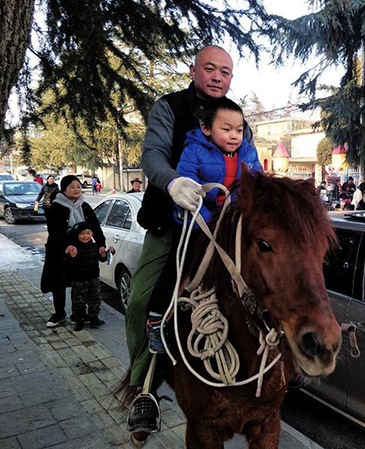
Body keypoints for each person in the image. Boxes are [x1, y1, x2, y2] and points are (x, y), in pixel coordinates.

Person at [125, 45, 255, 435]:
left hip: (226, 228)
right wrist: (174, 182)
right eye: (210, 69)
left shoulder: (236, 115)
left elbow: (251, 163)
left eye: (225, 72)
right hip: (174, 225)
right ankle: (141, 387)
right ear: (194, 69)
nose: (218, 77)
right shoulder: (169, 107)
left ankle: (275, 370)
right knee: (141, 301)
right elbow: (152, 156)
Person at [145, 97, 261, 353]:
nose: (234, 136)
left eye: (239, 130)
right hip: (198, 223)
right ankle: (155, 319)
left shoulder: (249, 153)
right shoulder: (194, 151)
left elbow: (257, 185)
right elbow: (189, 188)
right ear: (206, 129)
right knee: (178, 266)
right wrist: (211, 220)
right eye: (226, 129)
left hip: (232, 225)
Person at [40, 175, 107, 328]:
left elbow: (95, 227)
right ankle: (59, 313)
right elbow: (54, 231)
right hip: (60, 249)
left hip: (81, 251)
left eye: (78, 186)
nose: (76, 189)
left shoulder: (84, 206)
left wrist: (101, 244)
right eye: (72, 187)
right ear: (64, 189)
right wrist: (66, 247)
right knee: (58, 282)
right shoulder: (56, 207)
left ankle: (80, 314)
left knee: (81, 283)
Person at [64, 222, 114, 331]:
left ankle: (93, 318)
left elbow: (102, 259)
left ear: (92, 233)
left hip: (93, 277)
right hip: (78, 279)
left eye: (88, 233)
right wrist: (72, 256)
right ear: (77, 235)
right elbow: (67, 263)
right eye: (82, 234)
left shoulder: (95, 245)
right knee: (78, 301)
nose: (85, 236)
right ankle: (79, 320)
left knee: (95, 299)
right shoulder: (73, 247)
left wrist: (104, 254)